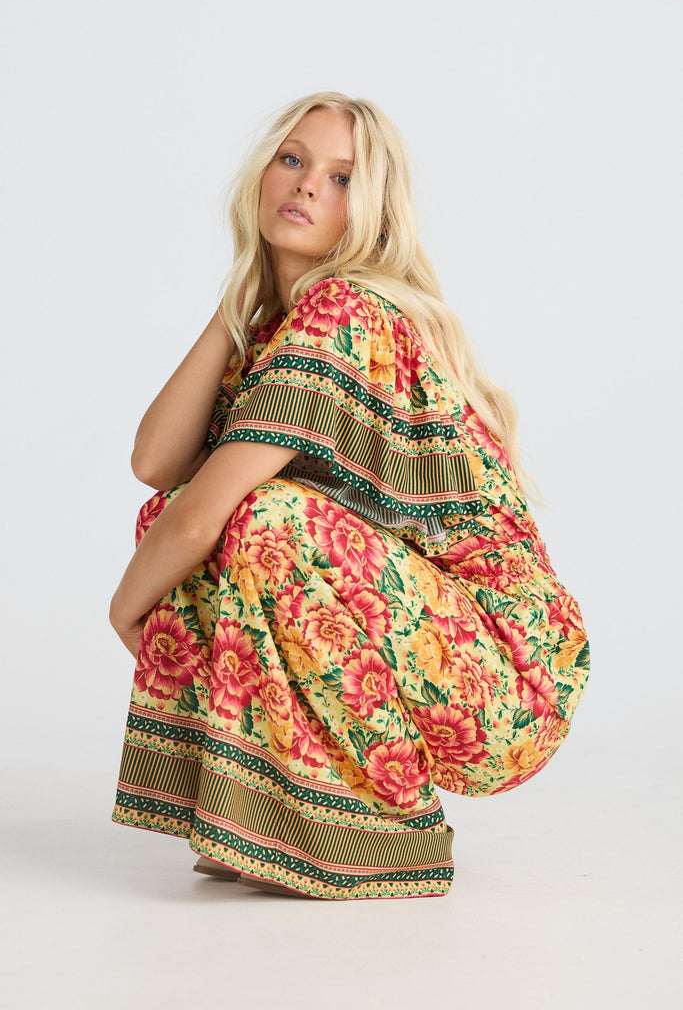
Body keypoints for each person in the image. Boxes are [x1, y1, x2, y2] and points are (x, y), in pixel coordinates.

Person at [109, 91, 590, 901]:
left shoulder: (346, 311)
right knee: (189, 514)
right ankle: (281, 814)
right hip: (439, 652)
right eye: (293, 160)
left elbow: (203, 514)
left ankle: (377, 833)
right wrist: (247, 294)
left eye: (340, 178)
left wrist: (123, 610)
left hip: (503, 677)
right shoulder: (282, 323)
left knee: (255, 514)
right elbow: (157, 465)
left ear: (368, 211)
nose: (305, 187)